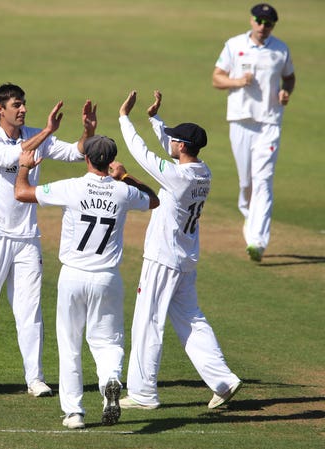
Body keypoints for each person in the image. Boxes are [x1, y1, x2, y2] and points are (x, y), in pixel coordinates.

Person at [0, 83, 97, 397]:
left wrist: (87, 133)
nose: (23, 109)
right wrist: (47, 131)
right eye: (16, 105)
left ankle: (34, 378)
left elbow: (76, 154)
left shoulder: (34, 133)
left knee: (30, 310)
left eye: (24, 104)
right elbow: (17, 155)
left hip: (27, 237)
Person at [14, 136, 159, 429]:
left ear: (88, 159)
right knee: (107, 341)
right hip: (107, 278)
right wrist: (126, 176)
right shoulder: (122, 192)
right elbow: (154, 199)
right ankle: (110, 381)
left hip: (73, 275)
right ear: (110, 162)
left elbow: (21, 193)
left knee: (69, 344)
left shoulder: (71, 187)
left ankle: (75, 413)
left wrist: (23, 168)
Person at [117, 90, 242, 410]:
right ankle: (223, 380)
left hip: (163, 258)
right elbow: (168, 151)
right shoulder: (202, 172)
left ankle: (143, 393)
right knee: (191, 320)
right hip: (185, 258)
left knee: (147, 322)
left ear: (182, 146)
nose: (170, 142)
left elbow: (144, 155)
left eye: (174, 140)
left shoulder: (177, 177)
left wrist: (124, 119)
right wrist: (155, 119)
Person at [212, 3, 296, 262]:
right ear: (251, 21)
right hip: (240, 120)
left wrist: (285, 92)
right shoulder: (234, 45)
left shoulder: (280, 49)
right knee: (247, 182)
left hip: (269, 123)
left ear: (273, 25)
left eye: (268, 23)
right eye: (259, 20)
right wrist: (238, 82)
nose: (263, 26)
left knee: (264, 180)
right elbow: (216, 78)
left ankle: (258, 241)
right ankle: (250, 217)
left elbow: (289, 77)